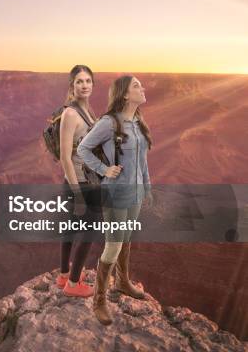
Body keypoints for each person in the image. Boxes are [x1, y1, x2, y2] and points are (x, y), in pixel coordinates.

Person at [77, 75, 153, 325]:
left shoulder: (138, 122)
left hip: (136, 193)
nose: (143, 89)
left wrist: (147, 187)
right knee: (113, 244)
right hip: (115, 193)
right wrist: (103, 169)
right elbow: (83, 149)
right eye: (136, 86)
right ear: (124, 95)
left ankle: (122, 282)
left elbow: (142, 160)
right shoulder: (109, 123)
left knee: (126, 239)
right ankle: (98, 301)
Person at [55, 65, 100, 297]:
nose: (84, 85)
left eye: (88, 81)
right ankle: (73, 284)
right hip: (79, 183)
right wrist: (78, 194)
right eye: (79, 81)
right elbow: (65, 157)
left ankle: (64, 274)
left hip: (88, 180)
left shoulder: (87, 110)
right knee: (89, 231)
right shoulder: (71, 114)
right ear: (72, 85)